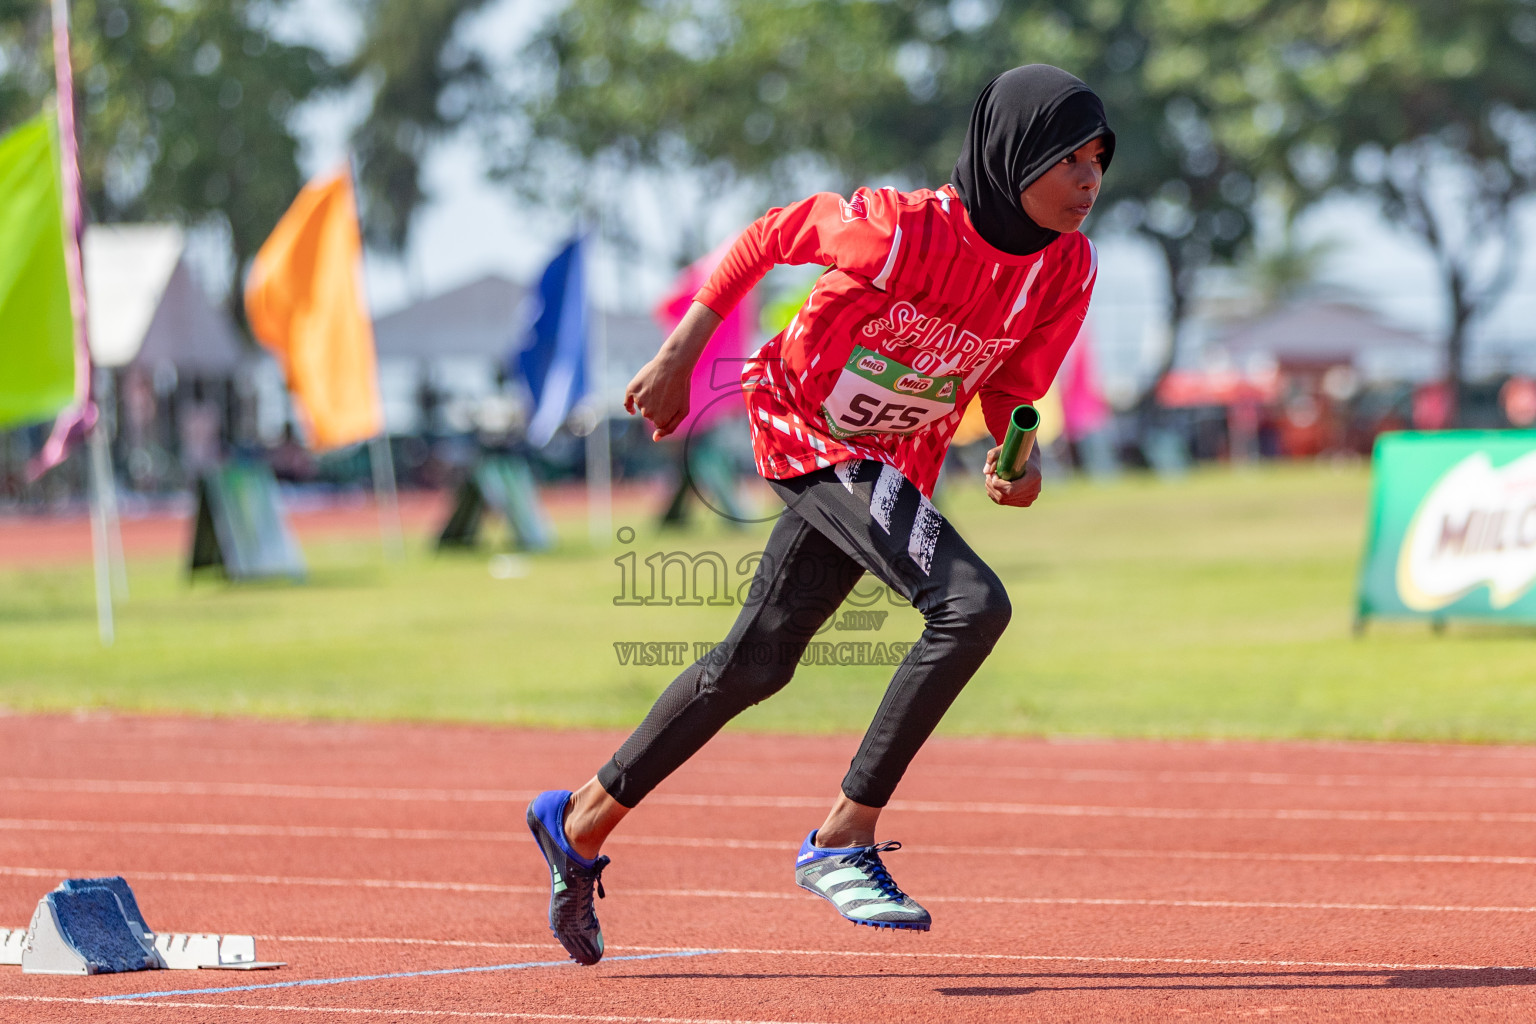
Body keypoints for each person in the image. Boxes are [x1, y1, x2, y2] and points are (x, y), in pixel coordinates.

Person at [526, 64, 1114, 964]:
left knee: (755, 662)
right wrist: (683, 350)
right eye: (1070, 157)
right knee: (970, 604)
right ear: (1014, 154)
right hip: (807, 423)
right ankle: (843, 837)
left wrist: (1016, 457)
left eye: (1101, 159)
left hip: (893, 456)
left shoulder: (1066, 268)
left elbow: (1016, 389)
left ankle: (577, 821)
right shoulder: (902, 230)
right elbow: (770, 234)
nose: (1090, 179)